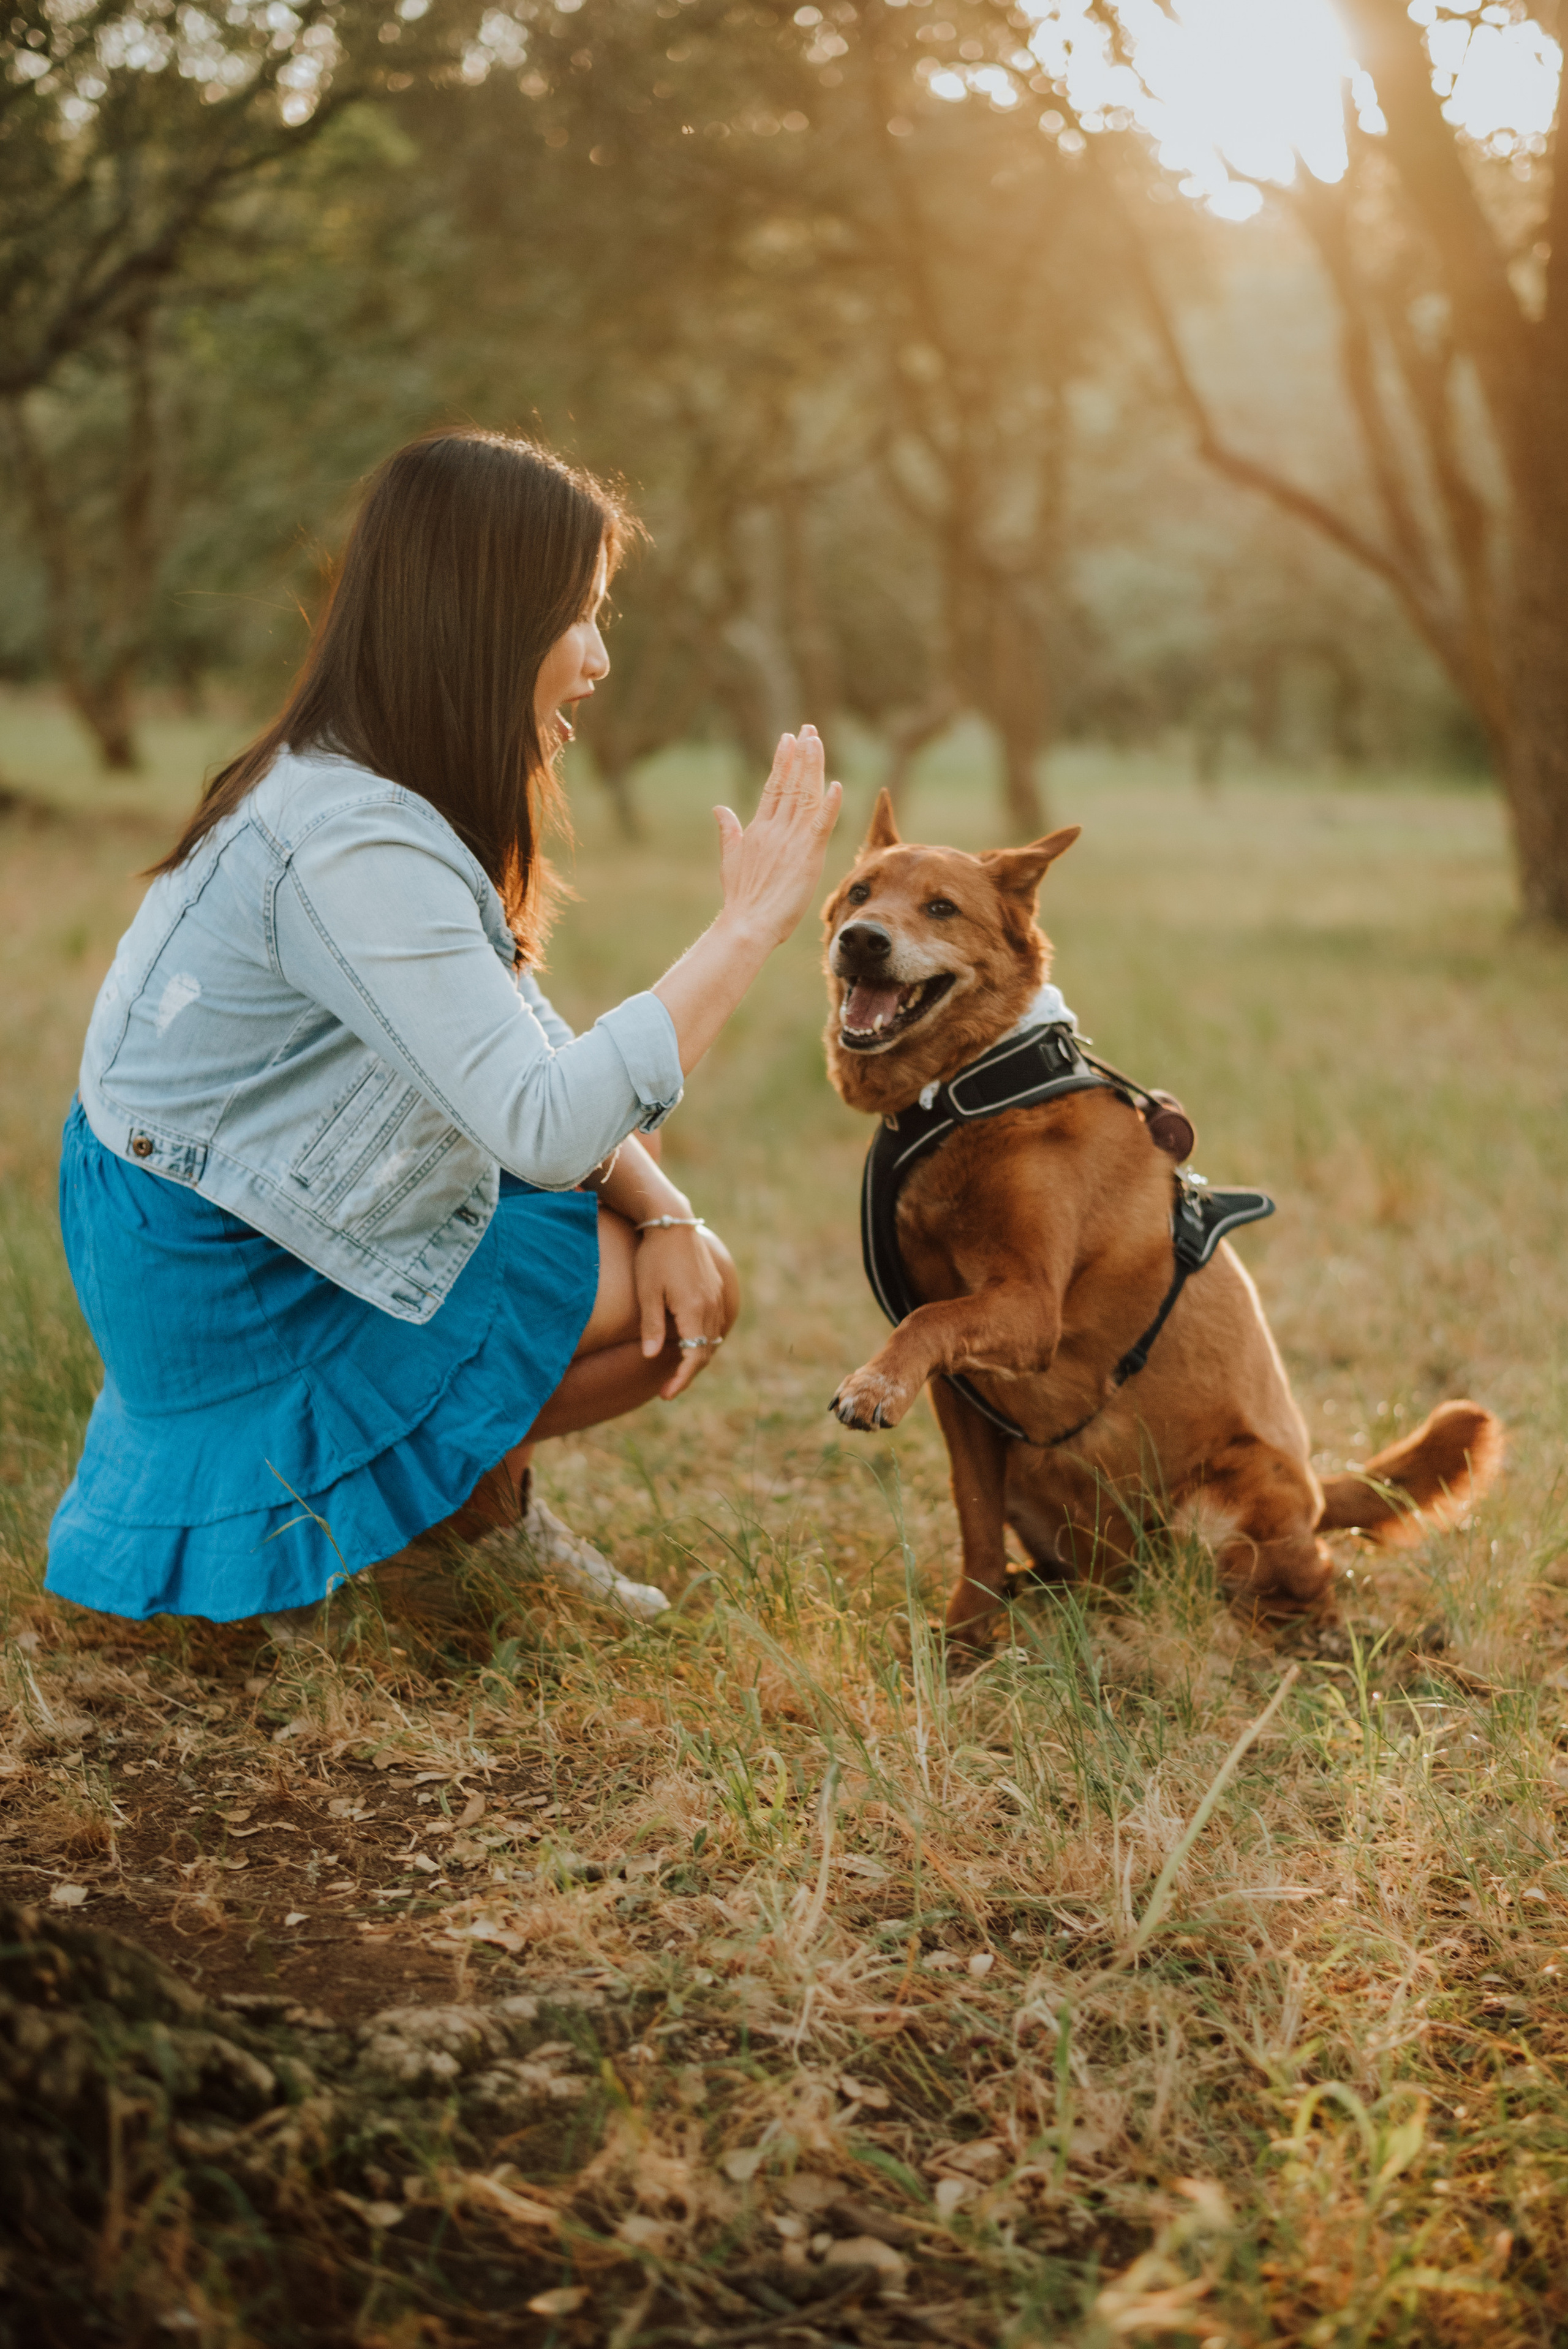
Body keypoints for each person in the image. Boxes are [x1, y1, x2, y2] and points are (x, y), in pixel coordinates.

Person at [45, 430, 841, 1629]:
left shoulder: (381, 794)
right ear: (487, 619)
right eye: (578, 614)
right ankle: (442, 1520)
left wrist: (667, 1216)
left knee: (669, 1234)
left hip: (254, 1201)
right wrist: (745, 929)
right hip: (209, 1252)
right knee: (626, 1231)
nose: (598, 657)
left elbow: (537, 1053)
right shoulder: (352, 838)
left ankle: (466, 1515)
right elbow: (542, 1123)